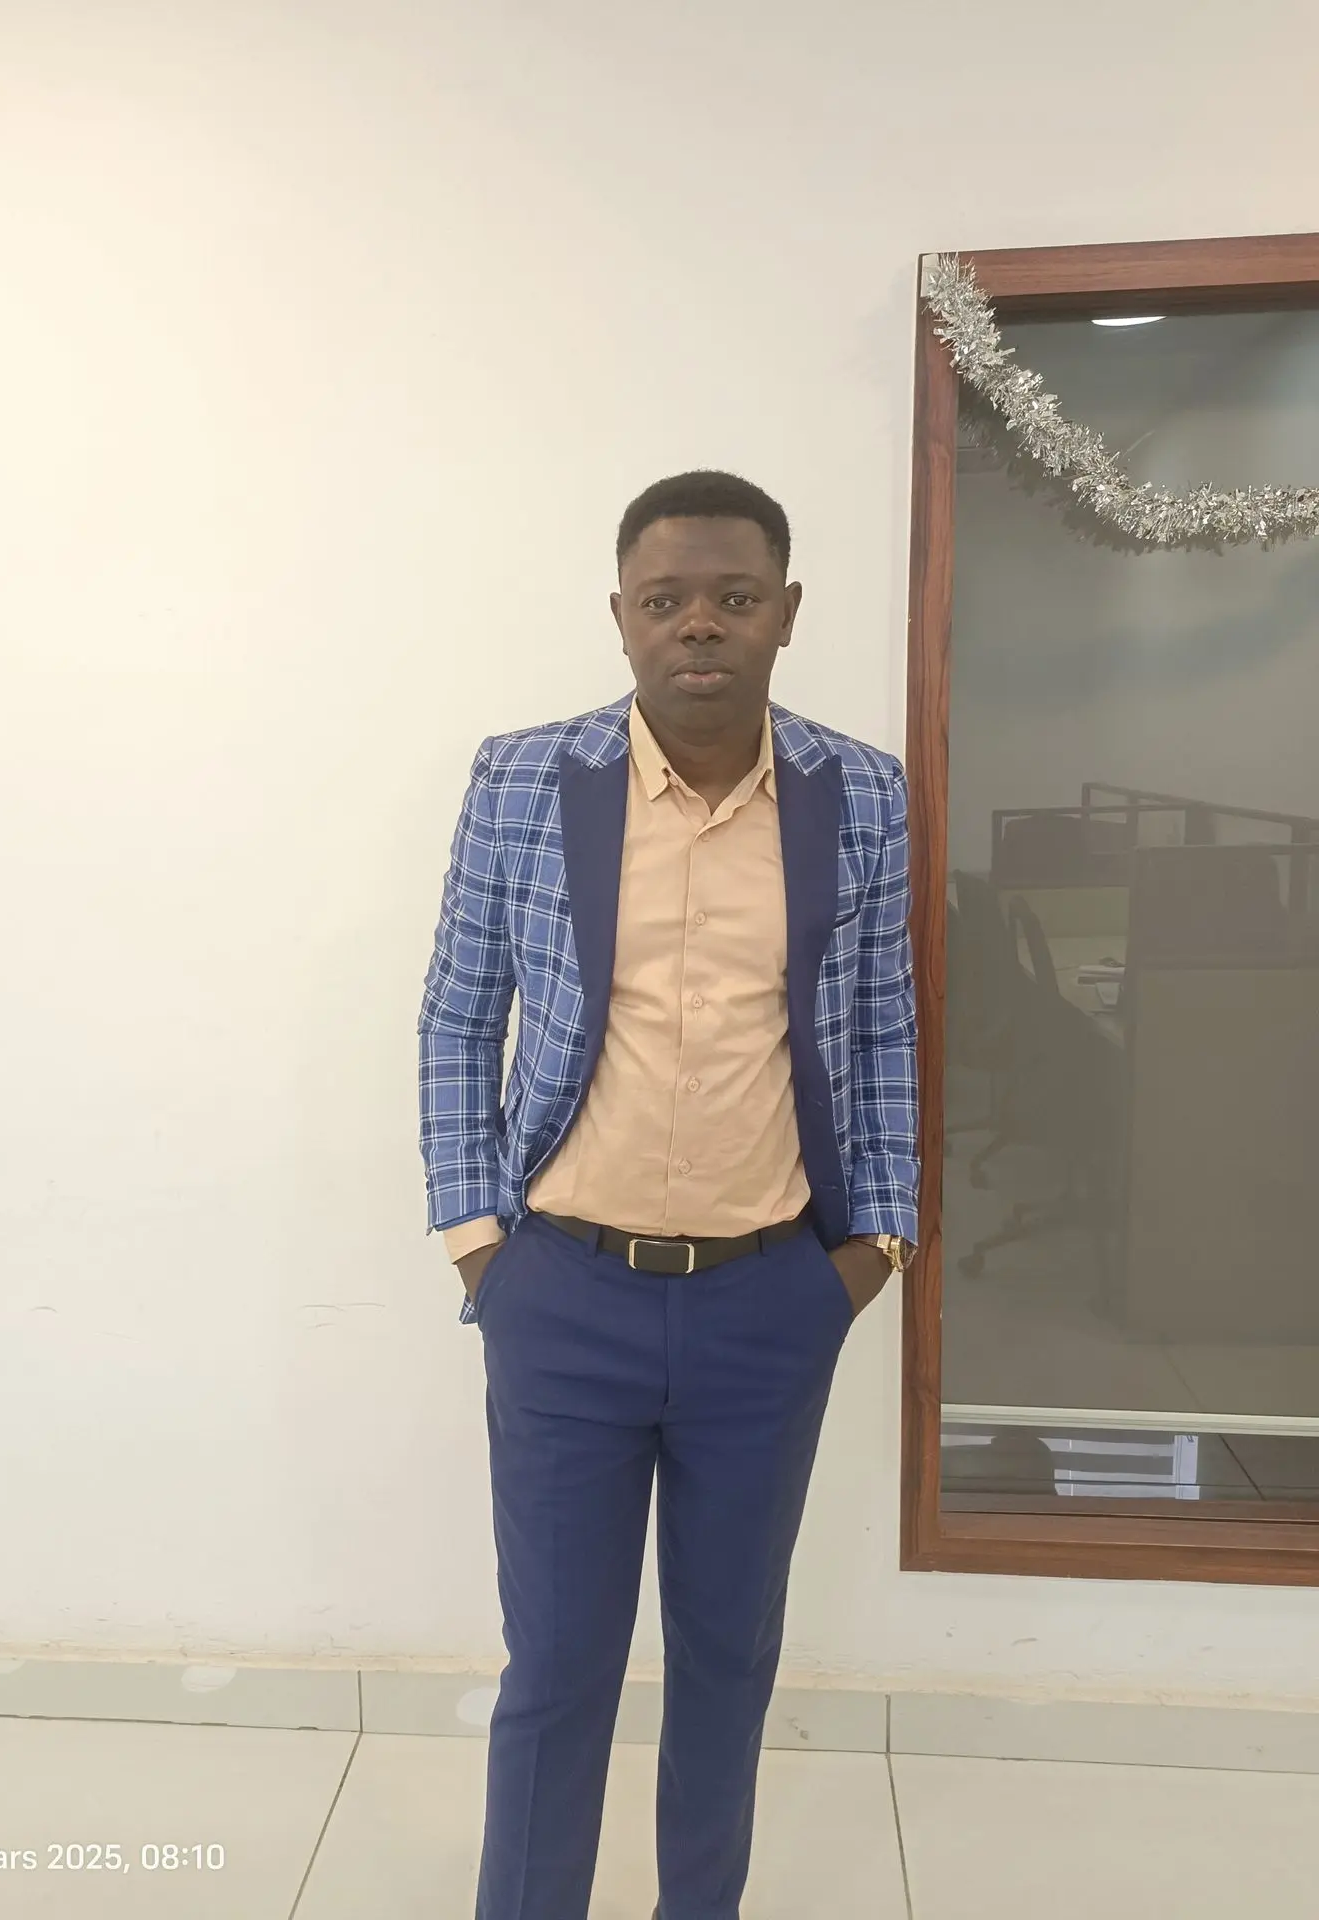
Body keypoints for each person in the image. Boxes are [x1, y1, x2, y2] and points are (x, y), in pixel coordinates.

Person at [418, 469, 919, 1920]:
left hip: (772, 1298)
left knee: (727, 1661)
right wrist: (480, 1243)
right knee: (558, 1667)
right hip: (562, 1294)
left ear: (786, 613)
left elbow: (883, 1025)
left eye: (734, 597)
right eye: (667, 600)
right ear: (623, 616)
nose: (700, 623)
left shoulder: (859, 792)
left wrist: (874, 1245)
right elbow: (461, 1012)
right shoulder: (526, 778)